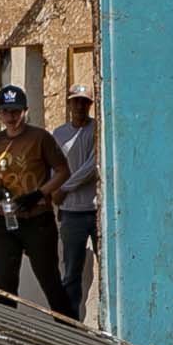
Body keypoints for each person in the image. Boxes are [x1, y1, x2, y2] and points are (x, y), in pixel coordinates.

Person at [0, 83, 72, 313]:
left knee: (50, 280)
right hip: (5, 217)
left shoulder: (40, 137)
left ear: (24, 111)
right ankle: (7, 335)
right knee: (4, 285)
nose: (11, 117)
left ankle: (70, 332)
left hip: (36, 218)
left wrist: (40, 193)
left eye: (16, 112)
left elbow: (63, 171)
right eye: (6, 112)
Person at [53, 86, 100, 315]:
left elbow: (93, 166)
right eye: (76, 102)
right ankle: (69, 325)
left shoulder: (97, 130)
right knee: (71, 272)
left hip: (96, 211)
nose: (80, 106)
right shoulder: (59, 134)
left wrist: (65, 187)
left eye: (85, 102)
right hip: (71, 212)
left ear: (90, 105)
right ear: (69, 104)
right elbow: (55, 169)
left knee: (109, 270)